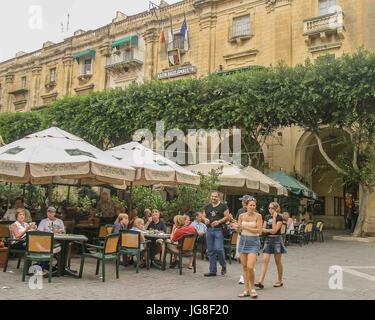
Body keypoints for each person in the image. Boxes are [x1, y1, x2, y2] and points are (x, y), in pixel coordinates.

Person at [255, 202, 287, 289]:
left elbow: (275, 231)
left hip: (277, 240)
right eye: (269, 208)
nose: (270, 210)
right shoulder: (266, 216)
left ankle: (279, 280)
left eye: (272, 208)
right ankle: (260, 282)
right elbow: (262, 229)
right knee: (265, 260)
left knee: (278, 262)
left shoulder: (279, 217)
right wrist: (268, 230)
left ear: (276, 209)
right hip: (268, 240)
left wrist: (274, 218)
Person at [237, 197, 263, 298]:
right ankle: (246, 290)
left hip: (254, 242)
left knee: (250, 267)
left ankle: (252, 289)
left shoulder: (258, 216)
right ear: (246, 206)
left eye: (254, 205)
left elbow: (259, 231)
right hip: (243, 241)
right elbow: (239, 230)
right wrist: (236, 227)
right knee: (244, 267)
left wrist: (245, 227)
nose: (252, 207)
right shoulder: (241, 216)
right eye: (250, 205)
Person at [203, 191, 230, 277]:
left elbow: (227, 217)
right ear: (210, 197)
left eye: (215, 197)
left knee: (218, 249)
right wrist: (205, 219)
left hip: (219, 230)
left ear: (219, 197)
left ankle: (223, 265)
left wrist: (218, 221)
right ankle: (213, 270)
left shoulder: (223, 206)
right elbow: (203, 215)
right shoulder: (207, 206)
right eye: (212, 196)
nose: (213, 198)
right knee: (210, 251)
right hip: (209, 230)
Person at [235, 195, 254, 285]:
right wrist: (235, 225)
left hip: (248, 238)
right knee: (242, 259)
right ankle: (246, 275)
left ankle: (245, 276)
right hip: (242, 236)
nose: (241, 202)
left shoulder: (254, 212)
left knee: (246, 260)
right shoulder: (240, 211)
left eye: (242, 201)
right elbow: (237, 224)